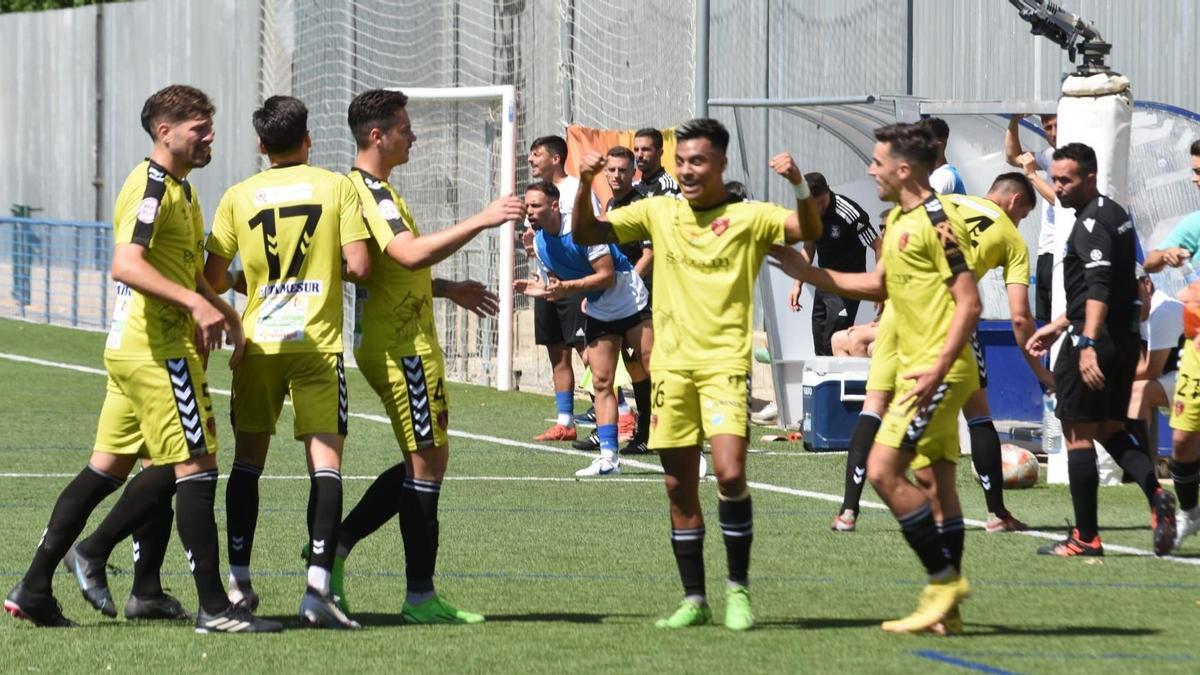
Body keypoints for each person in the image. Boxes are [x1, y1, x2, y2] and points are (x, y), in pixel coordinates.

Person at [4, 85, 281, 633]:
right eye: (199, 128)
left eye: (210, 126)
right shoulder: (150, 184)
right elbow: (126, 265)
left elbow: (186, 271)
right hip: (158, 351)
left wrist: (219, 307)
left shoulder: (182, 188)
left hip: (139, 349)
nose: (210, 137)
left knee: (108, 469)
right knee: (196, 465)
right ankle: (214, 609)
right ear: (165, 131)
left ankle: (35, 586)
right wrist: (193, 308)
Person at [573, 117, 823, 631]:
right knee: (678, 487)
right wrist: (583, 184)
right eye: (682, 161)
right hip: (671, 370)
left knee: (730, 473)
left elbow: (807, 230)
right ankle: (694, 598)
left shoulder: (749, 217)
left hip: (724, 367)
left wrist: (798, 183)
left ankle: (738, 590)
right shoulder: (660, 211)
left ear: (720, 164)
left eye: (699, 161)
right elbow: (586, 232)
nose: (688, 170)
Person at [325, 88, 524, 622]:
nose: (412, 136)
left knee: (428, 460)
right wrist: (484, 219)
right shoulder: (372, 192)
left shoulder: (368, 190)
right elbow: (408, 252)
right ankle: (416, 595)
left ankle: (341, 550)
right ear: (378, 135)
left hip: (398, 339)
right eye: (405, 128)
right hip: (402, 348)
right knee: (427, 464)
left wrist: (445, 288)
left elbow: (390, 271)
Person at [774, 122, 978, 635]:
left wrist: (935, 367)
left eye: (877, 162)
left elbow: (969, 302)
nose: (870, 169)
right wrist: (808, 274)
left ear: (903, 169)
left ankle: (943, 581)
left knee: (884, 472)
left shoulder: (938, 221)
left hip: (934, 371)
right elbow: (880, 282)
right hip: (919, 368)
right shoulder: (901, 221)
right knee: (935, 483)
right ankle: (946, 611)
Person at [202, 95, 371, 629]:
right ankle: (317, 588)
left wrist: (251, 282)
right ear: (309, 138)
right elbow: (360, 266)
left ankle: (239, 582)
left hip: (259, 343)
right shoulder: (336, 186)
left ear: (260, 144)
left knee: (248, 463)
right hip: (316, 344)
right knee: (326, 465)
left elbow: (213, 281)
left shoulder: (238, 195)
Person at [830, 175, 1052, 535]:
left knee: (874, 405)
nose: (1019, 222)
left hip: (897, 318)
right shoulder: (1011, 237)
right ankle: (997, 514)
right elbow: (1019, 316)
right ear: (1013, 203)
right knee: (978, 412)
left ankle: (847, 512)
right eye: (1023, 215)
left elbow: (891, 239)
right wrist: (1041, 373)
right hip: (946, 322)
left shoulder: (941, 204)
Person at [1026, 142, 1177, 557]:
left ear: (1090, 178)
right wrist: (1058, 325)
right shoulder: (1115, 213)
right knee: (1110, 428)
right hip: (1124, 340)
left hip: (1097, 340)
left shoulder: (1092, 223)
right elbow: (1118, 278)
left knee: (1077, 435)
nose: (1058, 188)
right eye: (1054, 179)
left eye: (1066, 180)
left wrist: (1086, 342)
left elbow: (1098, 289)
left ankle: (1086, 538)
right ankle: (1156, 492)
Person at [518, 181, 652, 474]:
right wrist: (542, 290)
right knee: (602, 381)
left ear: (555, 206)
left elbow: (605, 276)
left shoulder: (584, 230)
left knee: (654, 368)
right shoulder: (539, 243)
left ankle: (682, 448)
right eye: (527, 206)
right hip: (600, 308)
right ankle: (608, 458)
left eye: (536, 206)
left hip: (629, 299)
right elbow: (555, 283)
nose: (530, 212)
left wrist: (567, 288)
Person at [1142, 139, 1200, 547]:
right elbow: (1148, 259)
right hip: (1196, 346)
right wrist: (1166, 256)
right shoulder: (1195, 222)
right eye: (1195, 172)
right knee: (1181, 439)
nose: (1196, 180)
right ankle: (1189, 513)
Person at [524, 135, 600, 441]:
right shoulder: (535, 193)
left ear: (556, 158)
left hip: (575, 283)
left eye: (537, 154)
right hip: (547, 280)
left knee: (588, 353)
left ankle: (619, 410)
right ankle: (565, 421)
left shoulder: (575, 190)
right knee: (557, 351)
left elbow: (590, 232)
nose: (531, 160)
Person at [786, 172, 881, 355]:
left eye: (822, 202)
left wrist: (879, 286)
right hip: (824, 284)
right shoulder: (810, 214)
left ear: (828, 191)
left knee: (836, 339)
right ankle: (822, 382)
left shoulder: (849, 213)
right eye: (814, 205)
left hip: (849, 287)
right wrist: (797, 284)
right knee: (820, 340)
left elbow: (878, 246)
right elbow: (809, 248)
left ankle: (843, 382)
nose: (819, 209)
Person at [1126, 265, 1182, 465]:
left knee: (1140, 391)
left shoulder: (1163, 311)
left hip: (1192, 375)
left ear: (1147, 284)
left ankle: (1141, 466)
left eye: (1129, 290)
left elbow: (1151, 370)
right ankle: (1143, 465)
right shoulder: (1133, 313)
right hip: (1176, 376)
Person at [1005, 113, 1059, 322]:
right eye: (1048, 127)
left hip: (1066, 251)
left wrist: (1033, 176)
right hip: (1047, 250)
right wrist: (1015, 121)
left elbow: (1063, 202)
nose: (1053, 133)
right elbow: (1013, 156)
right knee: (1045, 320)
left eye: (1057, 126)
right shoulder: (1050, 155)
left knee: (1064, 320)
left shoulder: (1079, 157)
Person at [922, 117, 966, 195]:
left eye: (920, 144)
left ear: (938, 146)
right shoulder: (937, 175)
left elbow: (920, 205)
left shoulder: (943, 177)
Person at [632, 127, 681, 197]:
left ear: (660, 153)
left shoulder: (667, 186)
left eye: (645, 149)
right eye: (636, 150)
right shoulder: (634, 186)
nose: (639, 155)